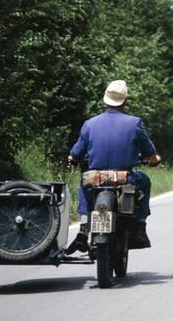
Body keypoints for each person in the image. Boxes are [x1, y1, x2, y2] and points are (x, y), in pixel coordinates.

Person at [65, 80, 161, 254]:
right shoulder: (135, 123)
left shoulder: (90, 124)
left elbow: (75, 153)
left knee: (84, 182)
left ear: (105, 100)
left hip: (96, 178)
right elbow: (150, 153)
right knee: (144, 181)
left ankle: (84, 227)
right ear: (125, 101)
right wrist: (154, 159)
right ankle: (140, 226)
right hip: (125, 178)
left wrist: (72, 158)